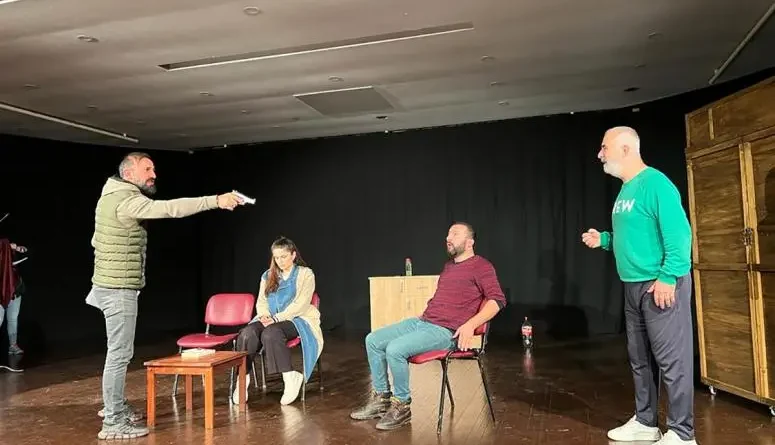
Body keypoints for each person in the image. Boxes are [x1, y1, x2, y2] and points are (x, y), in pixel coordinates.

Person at [86, 152, 244, 440]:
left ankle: (116, 407)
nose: (153, 174)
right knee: (119, 355)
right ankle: (112, 422)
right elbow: (171, 209)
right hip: (118, 288)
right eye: (147, 169)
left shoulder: (110, 195)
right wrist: (215, 200)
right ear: (128, 174)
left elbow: (97, 240)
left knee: (119, 353)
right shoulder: (125, 200)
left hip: (112, 285)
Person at [582, 126, 695, 445]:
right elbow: (636, 235)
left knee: (672, 360)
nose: (599, 154)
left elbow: (679, 235)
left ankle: (683, 433)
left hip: (660, 284)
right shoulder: (626, 190)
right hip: (633, 286)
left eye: (604, 148)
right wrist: (605, 240)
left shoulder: (655, 183)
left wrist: (668, 277)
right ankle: (646, 422)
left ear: (626, 149)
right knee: (640, 358)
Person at [349, 222, 507, 431]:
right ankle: (381, 399)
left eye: (455, 234)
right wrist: (423, 316)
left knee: (395, 349)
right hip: (424, 322)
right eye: (448, 234)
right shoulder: (449, 267)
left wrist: (471, 325)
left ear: (470, 242)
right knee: (373, 340)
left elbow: (497, 300)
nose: (448, 238)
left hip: (447, 332)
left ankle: (402, 406)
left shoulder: (482, 266)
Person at [232, 236, 323, 406]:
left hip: (297, 319)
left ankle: (290, 377)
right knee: (247, 333)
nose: (280, 261)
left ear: (293, 255)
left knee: (271, 333)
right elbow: (262, 301)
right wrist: (265, 315)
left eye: (283, 256)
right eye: (276, 257)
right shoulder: (268, 276)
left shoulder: (305, 274)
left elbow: (301, 304)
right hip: (271, 318)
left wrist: (276, 319)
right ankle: (242, 380)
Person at [0, 239, 26, 355]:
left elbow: (27, 252)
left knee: (13, 319)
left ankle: (13, 345)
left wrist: (18, 248)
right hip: (1, 294)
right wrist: (7, 246)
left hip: (15, 293)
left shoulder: (14, 260)